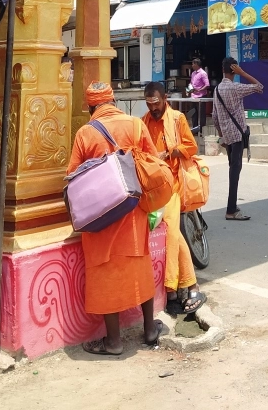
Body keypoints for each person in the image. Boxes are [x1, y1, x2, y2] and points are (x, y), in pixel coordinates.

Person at [65, 81, 162, 355]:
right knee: (140, 267)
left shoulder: (85, 133)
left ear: (91, 107)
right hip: (134, 212)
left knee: (105, 272)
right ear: (113, 101)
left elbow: (72, 177)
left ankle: (114, 341)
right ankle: (149, 330)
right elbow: (152, 163)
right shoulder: (135, 125)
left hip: (102, 218)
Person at [142, 82, 207, 316]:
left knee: (171, 233)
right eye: (149, 104)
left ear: (165, 98)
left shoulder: (177, 118)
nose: (153, 108)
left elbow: (191, 146)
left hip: (174, 184)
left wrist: (169, 152)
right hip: (154, 187)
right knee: (172, 235)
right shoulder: (144, 122)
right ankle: (181, 288)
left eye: (156, 103)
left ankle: (186, 287)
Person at [212, 57, 263, 221]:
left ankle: (232, 206)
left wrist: (221, 135)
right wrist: (244, 73)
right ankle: (231, 209)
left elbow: (214, 116)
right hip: (238, 134)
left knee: (232, 170)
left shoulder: (217, 89)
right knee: (235, 173)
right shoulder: (235, 88)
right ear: (234, 70)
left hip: (227, 136)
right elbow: (259, 86)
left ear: (223, 70)